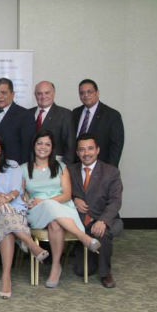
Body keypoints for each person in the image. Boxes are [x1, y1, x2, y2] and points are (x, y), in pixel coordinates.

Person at [21, 130, 101, 288]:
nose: (43, 147)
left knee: (55, 223)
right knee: (49, 208)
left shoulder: (61, 167)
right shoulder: (24, 168)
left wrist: (45, 200)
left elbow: (66, 195)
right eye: (39, 143)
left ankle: (55, 266)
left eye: (47, 144)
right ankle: (83, 237)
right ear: (33, 146)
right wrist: (29, 201)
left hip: (61, 207)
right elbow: (22, 195)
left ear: (52, 148)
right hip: (36, 211)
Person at [0, 133, 49, 298]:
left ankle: (5, 276)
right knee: (1, 210)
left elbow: (17, 189)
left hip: (13, 209)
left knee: (5, 222)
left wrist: (6, 198)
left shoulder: (12, 166)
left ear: (1, 149)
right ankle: (30, 244)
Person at [69, 133, 123, 288]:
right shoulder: (70, 170)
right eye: (82, 150)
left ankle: (106, 273)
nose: (86, 153)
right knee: (81, 271)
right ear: (77, 152)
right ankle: (85, 247)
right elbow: (62, 192)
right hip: (80, 222)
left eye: (90, 149)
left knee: (102, 232)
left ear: (98, 150)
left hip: (105, 218)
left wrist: (103, 221)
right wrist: (74, 199)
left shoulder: (111, 172)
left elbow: (115, 201)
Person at [73, 79, 124, 167]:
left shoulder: (112, 115)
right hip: (76, 168)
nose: (86, 95)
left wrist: (110, 171)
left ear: (97, 93)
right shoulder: (75, 113)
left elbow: (116, 146)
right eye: (82, 93)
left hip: (101, 169)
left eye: (90, 92)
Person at [0, 78, 34, 164]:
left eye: (4, 93)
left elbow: (27, 147)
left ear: (12, 94)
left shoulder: (25, 115)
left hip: (12, 169)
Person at [30, 81, 75, 164]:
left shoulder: (65, 115)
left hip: (55, 167)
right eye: (39, 93)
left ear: (53, 93)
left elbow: (70, 147)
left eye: (47, 93)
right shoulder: (27, 113)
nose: (43, 96)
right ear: (35, 95)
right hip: (30, 166)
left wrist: (65, 169)